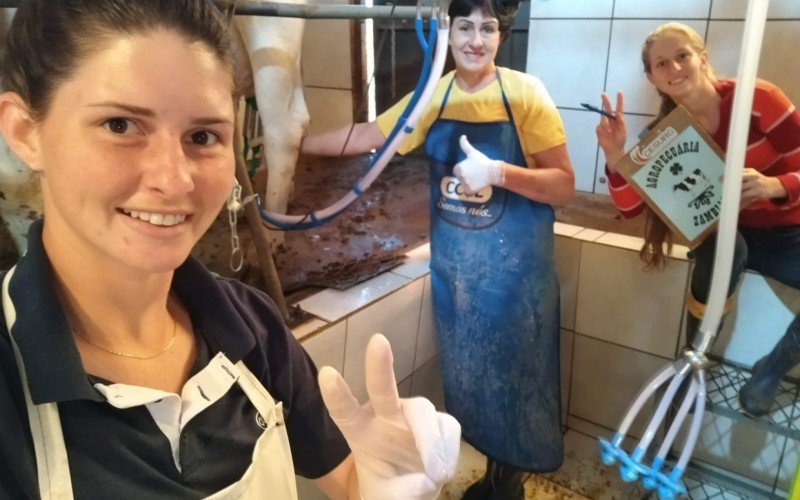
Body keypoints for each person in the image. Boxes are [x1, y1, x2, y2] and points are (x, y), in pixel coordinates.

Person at [0, 1, 460, 498]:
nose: (174, 180)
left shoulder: (253, 329)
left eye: (203, 136)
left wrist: (377, 486)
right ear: (26, 132)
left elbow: (349, 479)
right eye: (120, 125)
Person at [303, 0, 575, 497]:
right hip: (457, 272)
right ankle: (491, 472)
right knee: (469, 379)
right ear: (446, 34)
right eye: (465, 27)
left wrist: (498, 173)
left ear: (501, 34)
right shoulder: (434, 96)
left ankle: (508, 479)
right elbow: (370, 135)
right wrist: (296, 141)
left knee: (517, 379)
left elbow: (561, 184)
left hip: (514, 275)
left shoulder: (525, 94)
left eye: (487, 28)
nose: (476, 40)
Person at [595, 22, 800, 417]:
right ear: (652, 77)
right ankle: (693, 363)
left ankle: (772, 369)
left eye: (682, 56)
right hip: (724, 233)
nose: (674, 67)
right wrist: (616, 155)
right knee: (726, 245)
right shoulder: (664, 136)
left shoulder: (756, 99)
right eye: (661, 63)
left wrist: (777, 185)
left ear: (703, 58)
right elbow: (629, 209)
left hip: (785, 229)